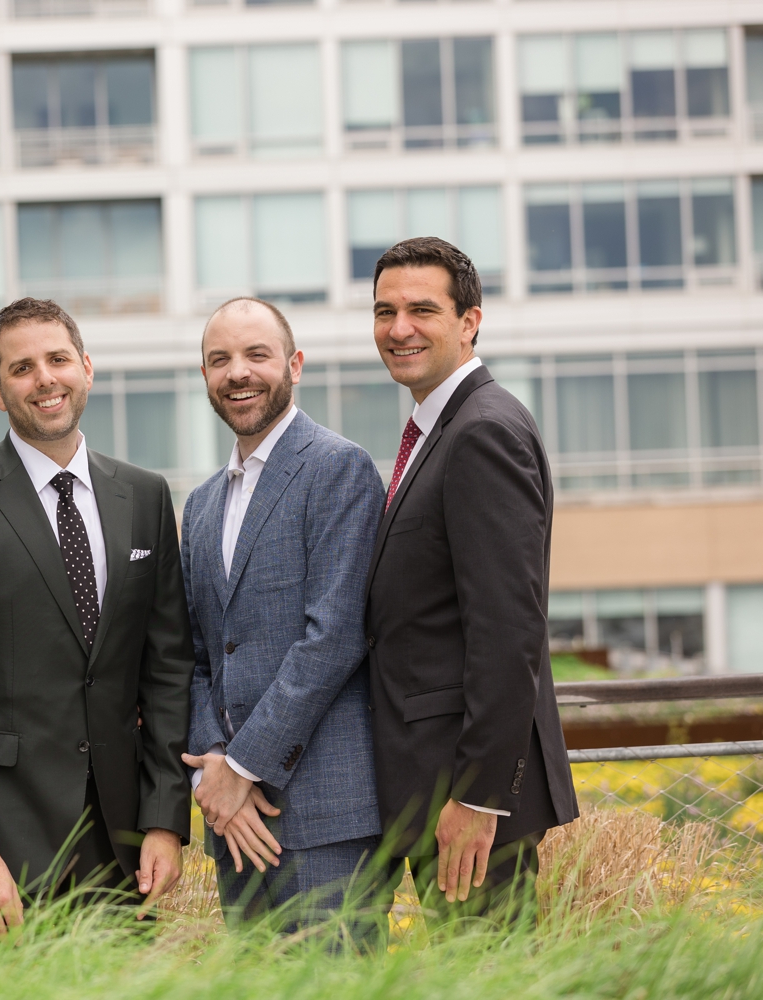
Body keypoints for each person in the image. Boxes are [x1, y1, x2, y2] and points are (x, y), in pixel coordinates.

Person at [0, 297, 194, 939]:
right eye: (22, 368)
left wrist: (166, 820)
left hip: (121, 844)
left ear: (86, 367)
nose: (45, 379)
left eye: (58, 359)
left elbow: (168, 669)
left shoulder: (144, 497)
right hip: (5, 845)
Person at [364, 237, 578, 918]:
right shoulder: (441, 427)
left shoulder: (482, 432)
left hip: (468, 803)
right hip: (439, 787)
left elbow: (509, 629)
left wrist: (479, 797)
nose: (399, 329)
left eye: (421, 309)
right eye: (384, 311)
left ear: (469, 321)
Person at [180, 298, 386, 932]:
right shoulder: (201, 504)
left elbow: (334, 639)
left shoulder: (338, 469)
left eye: (256, 355)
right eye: (220, 360)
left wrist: (241, 769)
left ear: (294, 364)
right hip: (233, 824)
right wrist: (213, 772)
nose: (238, 372)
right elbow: (197, 657)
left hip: (324, 817)